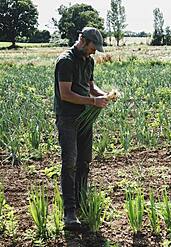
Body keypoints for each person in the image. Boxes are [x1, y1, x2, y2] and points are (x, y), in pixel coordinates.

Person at [54, 27, 108, 231]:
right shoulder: (65, 61)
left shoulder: (89, 61)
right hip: (68, 118)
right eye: (94, 47)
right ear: (83, 41)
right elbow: (66, 94)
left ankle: (81, 201)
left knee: (84, 161)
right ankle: (69, 212)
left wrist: (105, 95)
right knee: (70, 163)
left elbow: (92, 87)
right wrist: (93, 101)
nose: (95, 52)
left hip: (85, 118)